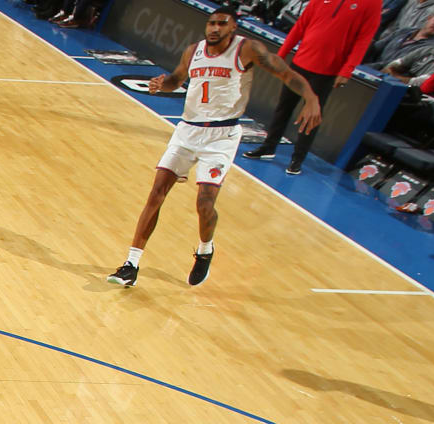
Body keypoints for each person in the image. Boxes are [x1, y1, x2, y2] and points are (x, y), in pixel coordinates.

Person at [107, 7, 323, 288]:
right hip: (188, 130)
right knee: (157, 192)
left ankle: (205, 249)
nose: (215, 28)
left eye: (222, 23)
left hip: (222, 135)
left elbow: (286, 73)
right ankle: (131, 264)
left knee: (204, 204)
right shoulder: (193, 51)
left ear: (233, 27)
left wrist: (311, 98)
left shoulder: (247, 50)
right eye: (211, 23)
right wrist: (162, 84)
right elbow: (177, 79)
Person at [242, 0, 380, 173]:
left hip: (328, 70)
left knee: (311, 116)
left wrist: (347, 71)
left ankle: (297, 159)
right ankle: (269, 146)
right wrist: (281, 54)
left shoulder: (373, 3)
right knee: (283, 107)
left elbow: (364, 39)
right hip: (300, 61)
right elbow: (301, 24)